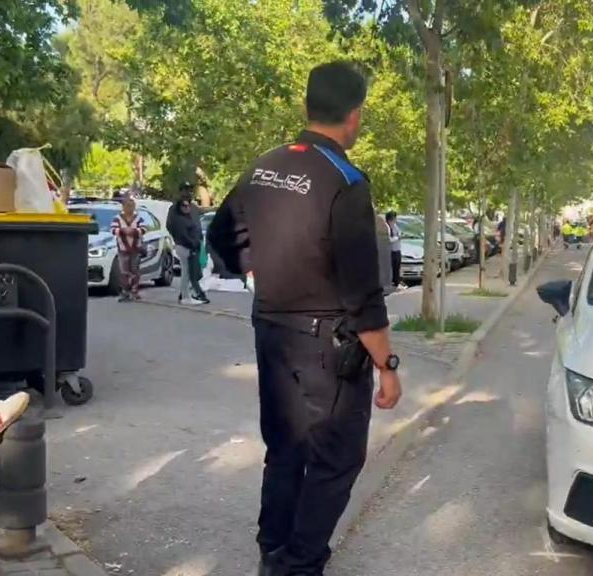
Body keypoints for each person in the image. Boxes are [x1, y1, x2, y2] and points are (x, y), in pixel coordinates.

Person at [207, 61, 403, 576]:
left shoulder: (263, 166)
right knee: (337, 460)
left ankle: (273, 550)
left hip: (272, 332)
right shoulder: (346, 182)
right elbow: (364, 294)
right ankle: (299, 563)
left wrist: (254, 272)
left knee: (286, 447)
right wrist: (387, 365)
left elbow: (221, 236)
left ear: (307, 106)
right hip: (326, 347)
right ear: (354, 116)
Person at [167, 190, 210, 305]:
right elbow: (182, 234)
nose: (187, 207)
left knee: (189, 272)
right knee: (187, 273)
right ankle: (186, 296)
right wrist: (192, 244)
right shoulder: (179, 218)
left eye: (188, 205)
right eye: (184, 205)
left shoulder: (189, 214)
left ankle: (185, 294)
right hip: (186, 247)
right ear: (180, 206)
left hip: (190, 246)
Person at [110, 197, 147, 302]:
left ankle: (134, 291)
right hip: (122, 248)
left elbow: (144, 229)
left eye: (131, 206)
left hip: (136, 248)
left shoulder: (138, 218)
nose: (129, 208)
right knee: (124, 271)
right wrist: (123, 231)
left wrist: (133, 231)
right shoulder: (117, 218)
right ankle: (125, 291)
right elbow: (113, 229)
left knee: (135, 269)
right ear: (123, 207)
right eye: (127, 206)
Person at [385, 211, 404, 289]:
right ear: (390, 219)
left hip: (397, 249)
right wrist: (397, 238)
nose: (395, 220)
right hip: (391, 251)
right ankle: (393, 282)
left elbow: (399, 233)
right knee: (392, 266)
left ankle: (397, 281)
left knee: (397, 266)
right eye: (394, 219)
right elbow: (388, 239)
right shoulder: (387, 227)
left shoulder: (395, 226)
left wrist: (400, 236)